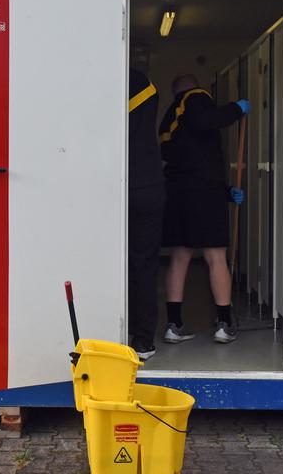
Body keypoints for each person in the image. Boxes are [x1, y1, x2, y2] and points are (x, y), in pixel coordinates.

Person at [158, 74, 249, 344]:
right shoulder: (196, 98)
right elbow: (207, 122)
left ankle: (173, 324)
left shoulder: (170, 118)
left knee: (179, 257)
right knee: (215, 256)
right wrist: (236, 109)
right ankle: (224, 323)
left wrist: (226, 191)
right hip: (205, 194)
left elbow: (190, 159)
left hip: (177, 193)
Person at [127, 69, 166, 361]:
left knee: (109, 263)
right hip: (148, 185)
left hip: (113, 187)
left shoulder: (104, 81)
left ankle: (107, 334)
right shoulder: (147, 86)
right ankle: (142, 341)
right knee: (144, 265)